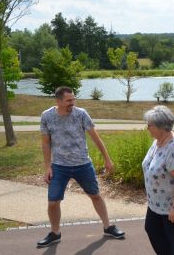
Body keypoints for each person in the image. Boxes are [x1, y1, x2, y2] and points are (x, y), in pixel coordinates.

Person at [37, 86, 124, 248]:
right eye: (69, 100)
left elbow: (96, 138)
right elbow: (45, 143)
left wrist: (107, 159)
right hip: (59, 166)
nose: (73, 103)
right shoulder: (47, 116)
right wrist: (48, 167)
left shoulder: (81, 114)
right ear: (58, 101)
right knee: (53, 202)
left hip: (83, 164)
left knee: (95, 195)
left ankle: (108, 227)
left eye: (74, 99)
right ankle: (55, 233)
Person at [142, 106, 174, 255]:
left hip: (172, 205)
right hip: (156, 202)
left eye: (150, 125)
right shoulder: (158, 141)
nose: (147, 128)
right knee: (152, 229)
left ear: (161, 127)